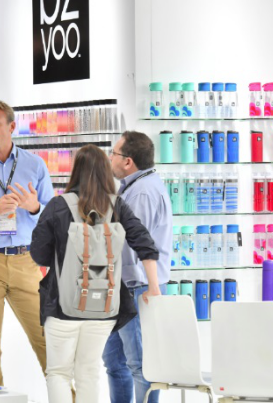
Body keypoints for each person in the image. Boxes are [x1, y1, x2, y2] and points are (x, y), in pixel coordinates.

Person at [30, 144, 161, 403]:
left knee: (58, 373)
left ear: (76, 171)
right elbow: (145, 243)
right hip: (104, 307)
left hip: (62, 306)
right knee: (89, 372)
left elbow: (39, 254)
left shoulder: (58, 205)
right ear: (105, 172)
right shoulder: (116, 206)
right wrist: (153, 287)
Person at [0, 99, 54, 385]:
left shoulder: (34, 164)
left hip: (26, 261)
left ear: (11, 126)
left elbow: (52, 214)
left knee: (46, 338)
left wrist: (34, 207)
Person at [102, 131, 173, 403]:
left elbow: (135, 244)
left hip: (137, 288)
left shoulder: (142, 192)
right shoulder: (136, 186)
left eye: (114, 153)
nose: (110, 158)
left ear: (128, 161)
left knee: (140, 364)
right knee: (114, 361)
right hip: (124, 287)